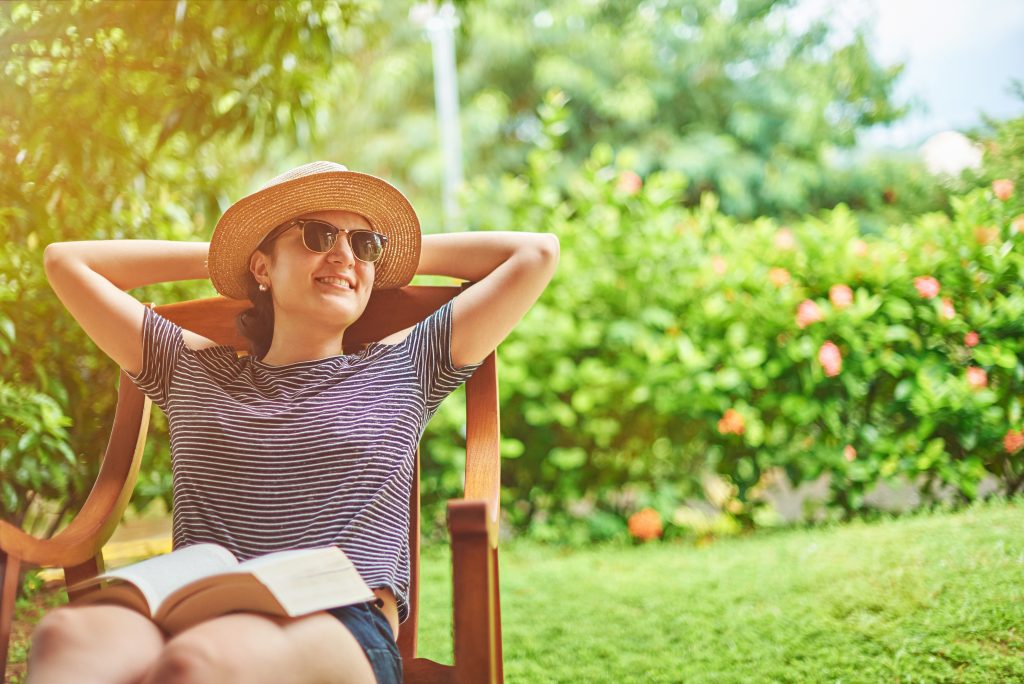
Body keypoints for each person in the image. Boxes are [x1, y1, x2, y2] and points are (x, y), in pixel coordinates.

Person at [29, 161, 559, 684]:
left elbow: (536, 253)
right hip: (192, 609)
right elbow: (66, 261)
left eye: (364, 244)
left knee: (197, 664)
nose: (344, 255)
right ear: (262, 269)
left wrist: (375, 255)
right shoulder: (190, 369)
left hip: (338, 620)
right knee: (67, 637)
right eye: (317, 234)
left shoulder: (403, 366)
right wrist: (231, 257)